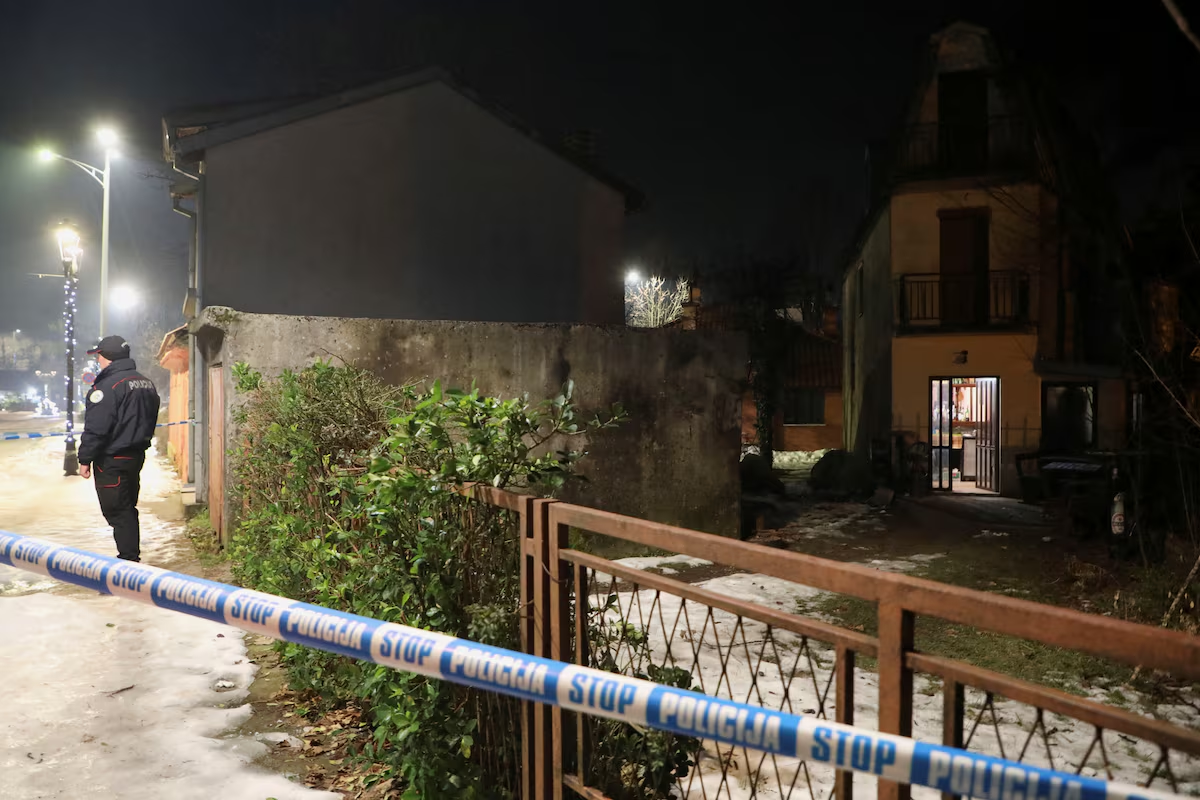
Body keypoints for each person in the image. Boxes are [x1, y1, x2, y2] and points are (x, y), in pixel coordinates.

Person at [77, 335, 161, 562]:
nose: (99, 361)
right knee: (127, 506)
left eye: (100, 356)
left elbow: (97, 427)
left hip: (112, 458)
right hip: (135, 456)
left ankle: (128, 563)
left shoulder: (108, 387)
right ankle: (129, 556)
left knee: (118, 510)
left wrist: (85, 459)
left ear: (108, 357)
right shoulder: (145, 382)